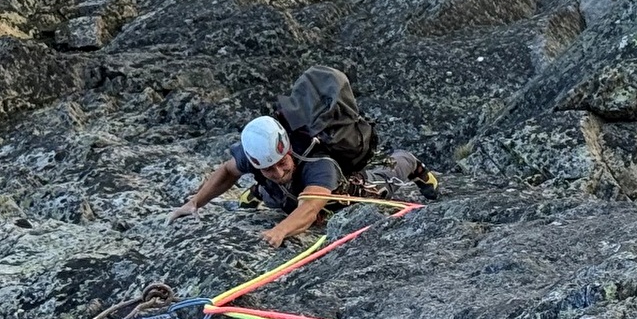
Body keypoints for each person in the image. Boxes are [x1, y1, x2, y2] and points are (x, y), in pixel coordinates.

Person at [169, 115, 439, 248]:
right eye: (268, 169)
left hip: (337, 195)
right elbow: (227, 171)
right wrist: (194, 203)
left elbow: (309, 210)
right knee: (277, 189)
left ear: (287, 150)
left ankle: (411, 163)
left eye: (281, 162)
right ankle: (262, 191)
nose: (277, 170)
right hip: (290, 195)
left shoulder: (320, 165)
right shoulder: (256, 154)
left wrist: (279, 231)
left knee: (385, 182)